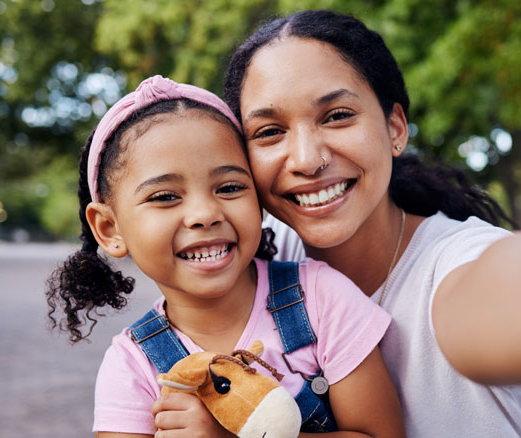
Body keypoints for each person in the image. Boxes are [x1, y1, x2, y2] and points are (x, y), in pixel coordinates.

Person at [218, 8, 521, 435]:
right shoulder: (265, 258)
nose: (306, 158)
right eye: (269, 131)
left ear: (394, 128)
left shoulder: (453, 267)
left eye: (337, 115)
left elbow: (507, 294)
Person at [45, 75, 405, 438]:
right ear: (109, 229)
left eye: (230, 187)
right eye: (165, 196)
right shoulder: (132, 367)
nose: (205, 214)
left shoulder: (320, 299)